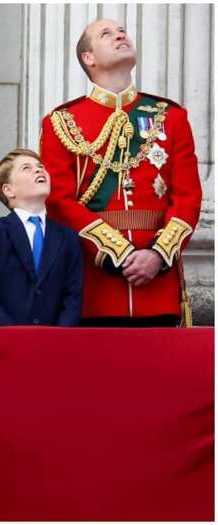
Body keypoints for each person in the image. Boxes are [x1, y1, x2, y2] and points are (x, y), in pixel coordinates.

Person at [41, 18, 202, 327]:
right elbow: (59, 202)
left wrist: (157, 255)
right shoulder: (62, 122)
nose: (120, 35)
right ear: (89, 58)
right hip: (96, 288)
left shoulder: (171, 116)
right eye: (107, 34)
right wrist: (119, 253)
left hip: (159, 284)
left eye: (122, 31)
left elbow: (188, 197)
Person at [0, 149, 83, 326]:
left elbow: (73, 295)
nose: (38, 170)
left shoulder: (68, 237)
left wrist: (61, 336)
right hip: (3, 342)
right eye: (26, 168)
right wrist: (12, 332)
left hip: (54, 343)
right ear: (8, 190)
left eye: (40, 166)